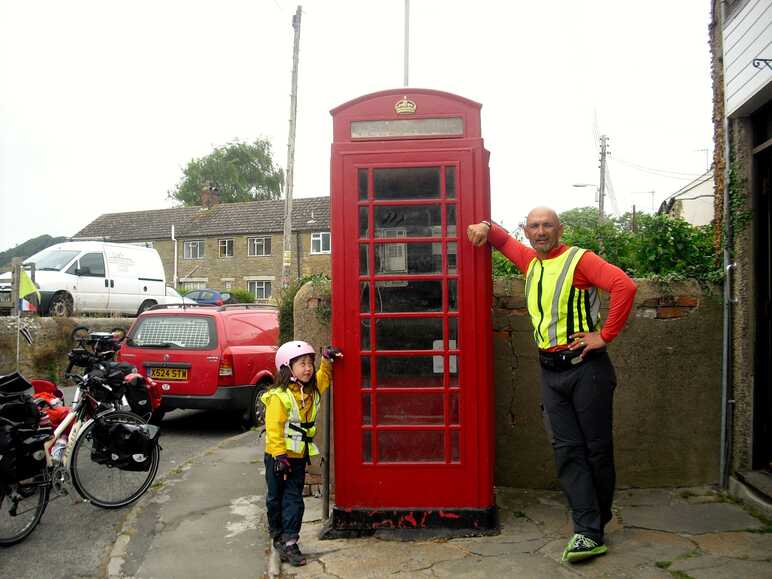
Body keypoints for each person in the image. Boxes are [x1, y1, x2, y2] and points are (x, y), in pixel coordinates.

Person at [467, 208, 636, 563]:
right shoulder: (530, 261)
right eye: (534, 226)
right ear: (527, 231)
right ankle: (588, 527)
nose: (540, 231)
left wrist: (604, 335)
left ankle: (593, 524)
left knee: (596, 450)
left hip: (586, 369)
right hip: (550, 372)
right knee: (566, 451)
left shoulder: (580, 260)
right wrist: (485, 226)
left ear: (560, 229)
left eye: (547, 225)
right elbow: (501, 241)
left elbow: (624, 285)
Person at [261, 340, 342, 567]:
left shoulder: (312, 389)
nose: (308, 368)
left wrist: (326, 360)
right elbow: (274, 429)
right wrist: (279, 457)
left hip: (297, 459)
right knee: (275, 498)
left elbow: (324, 377)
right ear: (287, 368)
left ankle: (290, 542)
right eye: (302, 364)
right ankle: (277, 534)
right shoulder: (280, 396)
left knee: (294, 500)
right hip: (277, 457)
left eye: (310, 363)